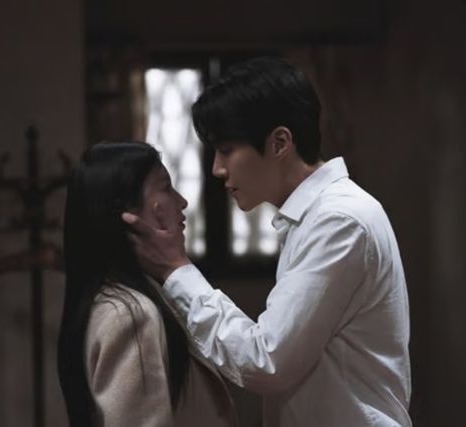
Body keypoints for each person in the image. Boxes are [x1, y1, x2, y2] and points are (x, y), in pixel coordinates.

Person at [123, 57, 412, 426]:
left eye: (227, 150)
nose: (217, 169)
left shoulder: (338, 220)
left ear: (279, 143)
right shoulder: (316, 217)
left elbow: (266, 361)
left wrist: (176, 270)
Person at [57, 141, 237, 427]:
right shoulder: (129, 314)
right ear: (129, 214)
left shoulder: (136, 297)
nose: (182, 202)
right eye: (166, 188)